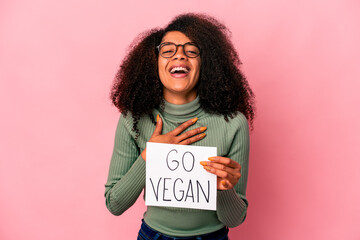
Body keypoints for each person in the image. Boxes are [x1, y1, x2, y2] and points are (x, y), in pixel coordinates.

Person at [105, 13, 255, 240]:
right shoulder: (134, 120)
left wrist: (224, 188)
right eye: (168, 50)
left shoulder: (233, 124)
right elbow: (114, 204)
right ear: (153, 61)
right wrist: (150, 155)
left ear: (206, 62)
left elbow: (234, 219)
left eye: (191, 51)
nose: (180, 56)